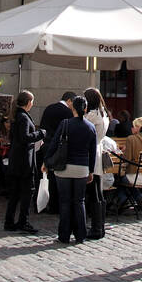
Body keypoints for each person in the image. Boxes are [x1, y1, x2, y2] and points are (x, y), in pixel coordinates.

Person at [46, 95, 97, 244]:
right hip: (82, 168)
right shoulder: (90, 127)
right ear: (86, 108)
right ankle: (81, 234)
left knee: (65, 202)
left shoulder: (66, 123)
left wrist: (47, 161)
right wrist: (91, 170)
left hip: (64, 167)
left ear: (72, 108)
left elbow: (54, 144)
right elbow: (92, 152)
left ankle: (64, 235)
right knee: (79, 201)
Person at [3, 91, 46, 234]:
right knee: (27, 192)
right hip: (24, 161)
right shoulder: (23, 117)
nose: (33, 104)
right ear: (28, 102)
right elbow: (25, 137)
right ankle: (23, 221)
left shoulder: (17, 116)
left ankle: (9, 221)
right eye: (32, 101)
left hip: (17, 160)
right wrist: (40, 133)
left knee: (15, 193)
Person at [81, 87, 110, 239]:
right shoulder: (103, 113)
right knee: (97, 192)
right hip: (97, 150)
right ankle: (99, 226)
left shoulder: (93, 116)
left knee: (94, 193)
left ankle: (97, 227)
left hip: (92, 153)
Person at [115, 116, 142, 213]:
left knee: (118, 179)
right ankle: (139, 198)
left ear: (138, 128)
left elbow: (127, 160)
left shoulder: (131, 139)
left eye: (133, 126)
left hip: (134, 176)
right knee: (128, 181)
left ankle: (123, 200)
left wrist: (122, 153)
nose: (131, 128)